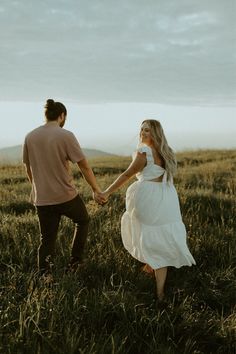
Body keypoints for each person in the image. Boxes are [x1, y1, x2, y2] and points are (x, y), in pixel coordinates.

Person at [100, 119, 196, 301]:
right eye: (142, 129)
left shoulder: (144, 152)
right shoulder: (167, 152)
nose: (143, 133)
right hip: (166, 196)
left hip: (149, 197)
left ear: (156, 133)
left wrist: (106, 192)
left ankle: (158, 288)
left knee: (146, 232)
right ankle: (152, 269)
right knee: (159, 233)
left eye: (148, 131)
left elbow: (127, 174)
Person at [23, 99, 104, 274]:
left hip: (42, 199)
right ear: (62, 116)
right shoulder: (65, 135)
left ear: (46, 116)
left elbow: (27, 167)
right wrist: (96, 189)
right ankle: (75, 263)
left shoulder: (30, 136)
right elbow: (84, 166)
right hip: (66, 196)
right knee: (82, 220)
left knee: (46, 239)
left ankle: (45, 277)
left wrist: (37, 187)